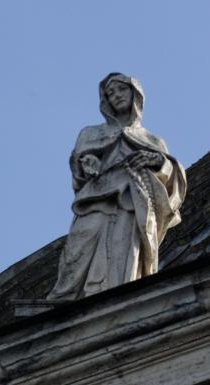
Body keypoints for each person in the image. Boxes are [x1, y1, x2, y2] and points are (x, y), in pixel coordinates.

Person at [48, 72, 186, 300]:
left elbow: (173, 180)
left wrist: (157, 161)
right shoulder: (91, 134)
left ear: (135, 95)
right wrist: (86, 163)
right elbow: (78, 166)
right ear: (105, 101)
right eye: (110, 93)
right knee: (77, 251)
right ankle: (64, 299)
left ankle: (115, 299)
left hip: (132, 205)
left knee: (123, 255)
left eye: (121, 89)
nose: (116, 96)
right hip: (96, 200)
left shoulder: (153, 141)